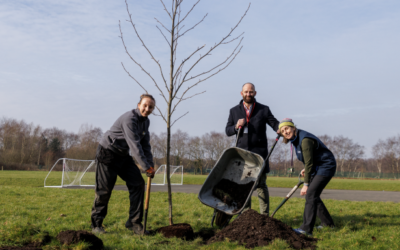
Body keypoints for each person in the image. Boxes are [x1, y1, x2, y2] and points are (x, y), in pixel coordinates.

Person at [91, 94, 156, 235]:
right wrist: (145, 167)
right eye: (145, 105)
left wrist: (150, 165)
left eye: (150, 107)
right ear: (139, 105)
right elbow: (135, 146)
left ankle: (134, 223)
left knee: (138, 183)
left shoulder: (146, 122)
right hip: (108, 152)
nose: (147, 109)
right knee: (104, 190)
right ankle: (96, 224)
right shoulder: (130, 119)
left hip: (122, 155)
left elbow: (145, 145)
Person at [225, 82, 280, 215]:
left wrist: (281, 127)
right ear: (241, 93)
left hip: (259, 155)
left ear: (255, 93)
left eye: (251, 92)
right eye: (246, 92)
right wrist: (236, 127)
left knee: (261, 185)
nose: (248, 94)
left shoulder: (264, 109)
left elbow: (274, 123)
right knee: (244, 186)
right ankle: (246, 215)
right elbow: (227, 130)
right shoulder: (234, 111)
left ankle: (264, 216)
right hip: (242, 155)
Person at [279, 118, 336, 236]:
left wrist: (306, 184)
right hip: (318, 166)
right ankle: (328, 224)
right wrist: (307, 169)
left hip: (326, 166)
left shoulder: (304, 140)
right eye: (283, 130)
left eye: (287, 128)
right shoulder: (295, 139)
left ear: (293, 128)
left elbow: (309, 163)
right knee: (313, 195)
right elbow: (309, 160)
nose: (285, 132)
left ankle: (306, 229)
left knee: (310, 194)